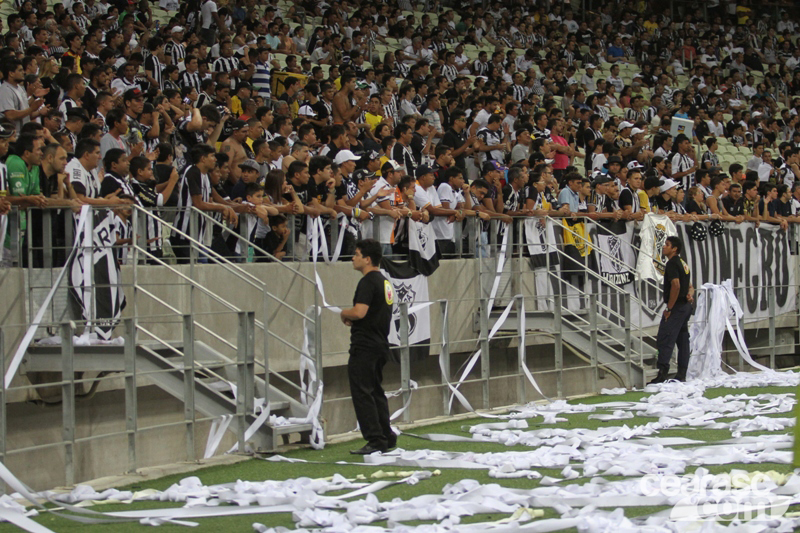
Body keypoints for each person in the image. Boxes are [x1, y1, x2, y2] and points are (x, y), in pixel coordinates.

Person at [339, 238, 396, 455]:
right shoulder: (385, 282)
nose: (353, 258)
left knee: (362, 393)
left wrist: (344, 313)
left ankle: (375, 438)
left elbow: (360, 312)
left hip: (365, 346)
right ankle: (386, 435)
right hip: (380, 343)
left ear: (367, 259)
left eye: (357, 254)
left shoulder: (367, 282)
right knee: (376, 391)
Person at [649, 236, 695, 384]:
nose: (664, 246)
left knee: (665, 337)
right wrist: (690, 295)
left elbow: (676, 285)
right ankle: (682, 373)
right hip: (685, 307)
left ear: (674, 249)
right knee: (683, 340)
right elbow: (690, 286)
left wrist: (669, 308)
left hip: (677, 308)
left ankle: (662, 373)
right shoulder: (683, 263)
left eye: (667, 245)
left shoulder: (672, 264)